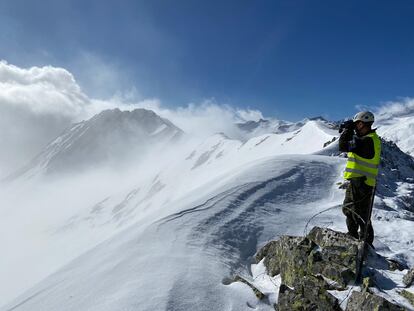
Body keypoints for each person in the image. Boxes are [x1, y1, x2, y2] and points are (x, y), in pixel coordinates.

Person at [338, 111, 381, 246]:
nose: (355, 127)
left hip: (362, 182)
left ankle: (365, 244)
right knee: (350, 210)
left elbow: (343, 146)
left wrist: (347, 130)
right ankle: (354, 236)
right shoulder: (369, 138)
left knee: (361, 215)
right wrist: (349, 130)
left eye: (356, 124)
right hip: (360, 181)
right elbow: (351, 143)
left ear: (362, 123)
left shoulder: (367, 141)